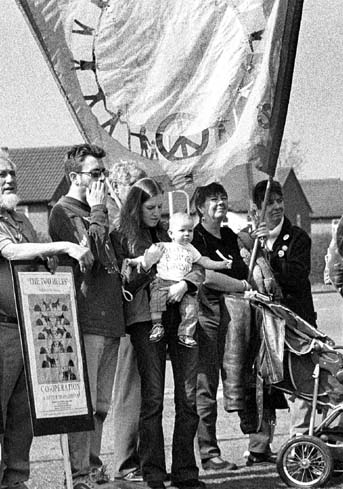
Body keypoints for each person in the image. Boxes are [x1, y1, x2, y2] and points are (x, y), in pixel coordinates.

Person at [0, 147, 93, 489]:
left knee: (22, 411)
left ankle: (16, 481)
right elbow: (13, 254)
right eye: (2, 175)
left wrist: (49, 256)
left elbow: (37, 255)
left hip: (29, 324)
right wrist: (63, 246)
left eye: (12, 174)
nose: (10, 180)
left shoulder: (19, 220)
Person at [114, 178, 204, 489]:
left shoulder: (171, 231)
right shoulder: (124, 236)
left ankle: (185, 470)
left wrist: (187, 283)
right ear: (135, 207)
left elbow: (197, 263)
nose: (156, 213)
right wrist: (149, 267)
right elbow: (125, 282)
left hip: (180, 316)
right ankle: (152, 470)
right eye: (150, 207)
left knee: (187, 396)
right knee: (152, 398)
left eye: (159, 207)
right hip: (145, 319)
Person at [48, 144, 125, 489]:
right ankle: (79, 472)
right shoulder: (62, 213)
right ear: (73, 176)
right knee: (87, 402)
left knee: (103, 404)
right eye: (95, 173)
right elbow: (88, 258)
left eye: (103, 173)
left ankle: (92, 466)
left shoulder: (100, 211)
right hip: (87, 316)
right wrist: (97, 211)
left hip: (110, 317)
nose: (101, 180)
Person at [246, 180, 316, 440]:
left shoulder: (298, 238)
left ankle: (299, 442)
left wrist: (269, 253)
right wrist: (256, 247)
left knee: (302, 381)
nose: (276, 207)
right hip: (262, 324)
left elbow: (296, 276)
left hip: (295, 322)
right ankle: (259, 445)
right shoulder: (245, 240)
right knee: (261, 385)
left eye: (279, 200)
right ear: (255, 209)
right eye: (269, 202)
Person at [190, 182, 251, 470]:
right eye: (213, 199)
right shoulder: (196, 238)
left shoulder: (228, 235)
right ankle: (209, 453)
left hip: (235, 317)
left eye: (223, 198)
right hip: (207, 316)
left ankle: (257, 442)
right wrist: (240, 285)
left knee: (242, 376)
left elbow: (244, 266)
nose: (220, 203)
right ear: (200, 207)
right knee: (206, 384)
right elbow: (206, 277)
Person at [105, 161, 148, 482]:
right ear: (117, 189)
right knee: (127, 392)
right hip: (125, 318)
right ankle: (124, 464)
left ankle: (138, 460)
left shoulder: (134, 225)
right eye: (133, 188)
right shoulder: (114, 228)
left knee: (145, 392)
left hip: (145, 317)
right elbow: (122, 279)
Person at [132, 211, 231, 346]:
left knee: (191, 308)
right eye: (182, 230)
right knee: (156, 300)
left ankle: (185, 333)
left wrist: (220, 264)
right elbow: (145, 258)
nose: (186, 234)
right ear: (171, 234)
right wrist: (132, 262)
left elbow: (203, 262)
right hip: (163, 281)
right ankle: (157, 325)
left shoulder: (191, 249)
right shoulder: (164, 246)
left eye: (190, 231)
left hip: (182, 286)